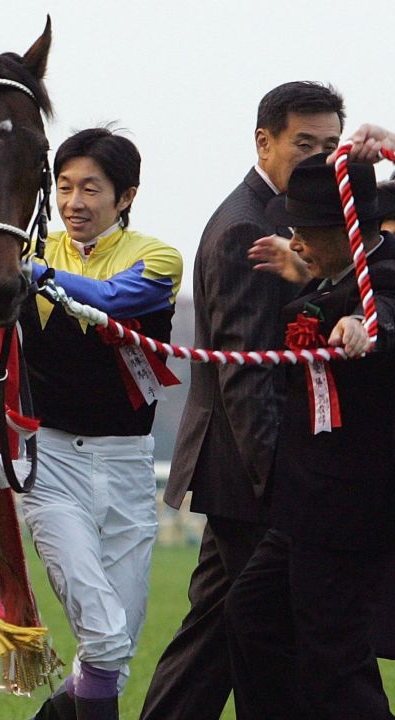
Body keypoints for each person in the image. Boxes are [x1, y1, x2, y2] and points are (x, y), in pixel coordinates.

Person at [142, 81, 344, 720]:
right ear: (265, 141)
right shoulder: (246, 229)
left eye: (331, 147)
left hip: (244, 475)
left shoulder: (295, 222)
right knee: (280, 635)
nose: (319, 160)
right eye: (304, 144)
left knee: (216, 637)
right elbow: (244, 371)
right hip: (250, 474)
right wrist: (279, 483)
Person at [225, 151, 395, 719]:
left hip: (352, 509)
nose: (294, 241)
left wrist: (366, 325)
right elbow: (323, 309)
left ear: (348, 229)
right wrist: (309, 278)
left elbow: (381, 312)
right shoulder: (332, 280)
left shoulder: (383, 278)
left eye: (304, 232)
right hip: (303, 505)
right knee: (251, 614)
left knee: (335, 655)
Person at [22, 128, 183, 720]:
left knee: (113, 656)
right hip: (51, 463)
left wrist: (34, 276)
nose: (74, 203)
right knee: (106, 636)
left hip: (126, 467)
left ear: (126, 196)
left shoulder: (158, 256)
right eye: (63, 187)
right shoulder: (31, 247)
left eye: (91, 188)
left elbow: (113, 300)